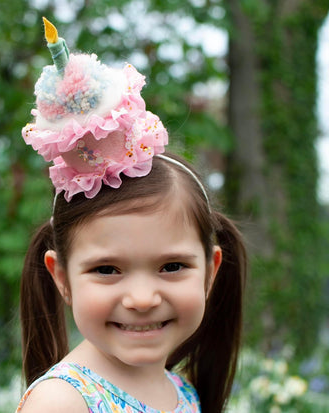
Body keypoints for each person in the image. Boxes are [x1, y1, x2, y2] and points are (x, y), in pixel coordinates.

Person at [16, 17, 247, 413]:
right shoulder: (62, 402)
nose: (142, 298)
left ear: (210, 271)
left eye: (172, 266)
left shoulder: (181, 390)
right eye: (107, 270)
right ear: (62, 278)